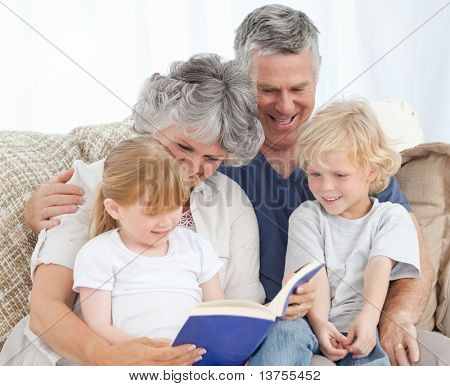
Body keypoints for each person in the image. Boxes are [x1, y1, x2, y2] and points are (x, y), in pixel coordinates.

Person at [0, 54, 271, 365]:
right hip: (73, 360)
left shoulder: (231, 200)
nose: (193, 168)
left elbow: (240, 309)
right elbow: (46, 309)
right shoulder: (90, 184)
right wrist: (109, 356)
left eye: (213, 159)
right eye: (184, 147)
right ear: (153, 125)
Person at [218, 4, 443, 366]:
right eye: (268, 90)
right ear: (243, 82)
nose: (285, 105)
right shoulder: (219, 156)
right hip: (279, 329)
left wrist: (394, 316)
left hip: (358, 323)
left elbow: (413, 254)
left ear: (316, 79)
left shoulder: (351, 150)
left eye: (298, 88)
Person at [249, 98, 421, 366]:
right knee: (283, 333)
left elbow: (378, 267)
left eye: (340, 176)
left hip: (366, 319)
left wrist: (368, 317)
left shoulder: (390, 217)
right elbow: (312, 275)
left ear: (371, 171)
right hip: (308, 321)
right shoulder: (307, 216)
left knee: (372, 355)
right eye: (315, 173)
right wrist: (319, 325)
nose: (326, 187)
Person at [73, 136, 224, 347]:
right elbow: (98, 326)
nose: (166, 222)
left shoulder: (196, 247)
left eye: (174, 206)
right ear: (115, 209)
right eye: (152, 212)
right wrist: (145, 350)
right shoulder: (99, 254)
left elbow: (218, 314)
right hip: (134, 361)